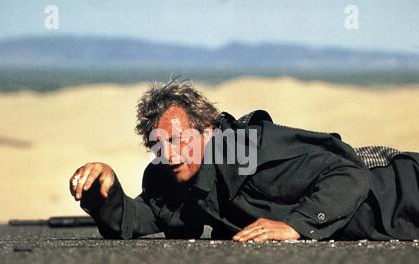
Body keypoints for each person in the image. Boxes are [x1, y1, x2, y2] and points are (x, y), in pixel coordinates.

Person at [69, 80, 419, 241]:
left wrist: (297, 225)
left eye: (179, 140)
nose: (170, 153)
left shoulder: (249, 151)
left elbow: (347, 171)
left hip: (401, 190)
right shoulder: (172, 176)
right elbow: (138, 218)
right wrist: (105, 195)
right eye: (158, 144)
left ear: (207, 132)